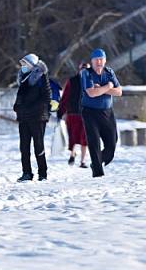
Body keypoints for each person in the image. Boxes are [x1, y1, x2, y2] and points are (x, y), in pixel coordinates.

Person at [80, 48, 122, 178]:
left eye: (101, 59)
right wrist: (109, 87)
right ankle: (98, 173)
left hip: (107, 112)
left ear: (105, 60)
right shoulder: (86, 73)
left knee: (112, 143)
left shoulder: (109, 72)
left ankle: (97, 162)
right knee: (94, 143)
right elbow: (92, 93)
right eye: (96, 59)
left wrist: (103, 89)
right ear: (91, 61)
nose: (99, 62)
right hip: (90, 112)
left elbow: (119, 92)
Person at [13, 53, 51, 182]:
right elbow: (20, 96)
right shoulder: (23, 78)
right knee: (24, 147)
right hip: (24, 118)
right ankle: (27, 173)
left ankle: (43, 173)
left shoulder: (41, 77)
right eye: (22, 64)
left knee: (38, 145)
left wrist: (31, 107)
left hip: (38, 117)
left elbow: (46, 97)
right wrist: (17, 106)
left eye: (25, 64)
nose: (23, 66)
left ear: (32, 65)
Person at [58, 62, 89, 168]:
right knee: (73, 137)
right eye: (83, 69)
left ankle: (82, 161)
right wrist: (61, 111)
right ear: (79, 70)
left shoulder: (92, 82)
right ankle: (72, 154)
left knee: (84, 138)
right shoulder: (72, 81)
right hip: (72, 113)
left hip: (86, 114)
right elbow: (65, 97)